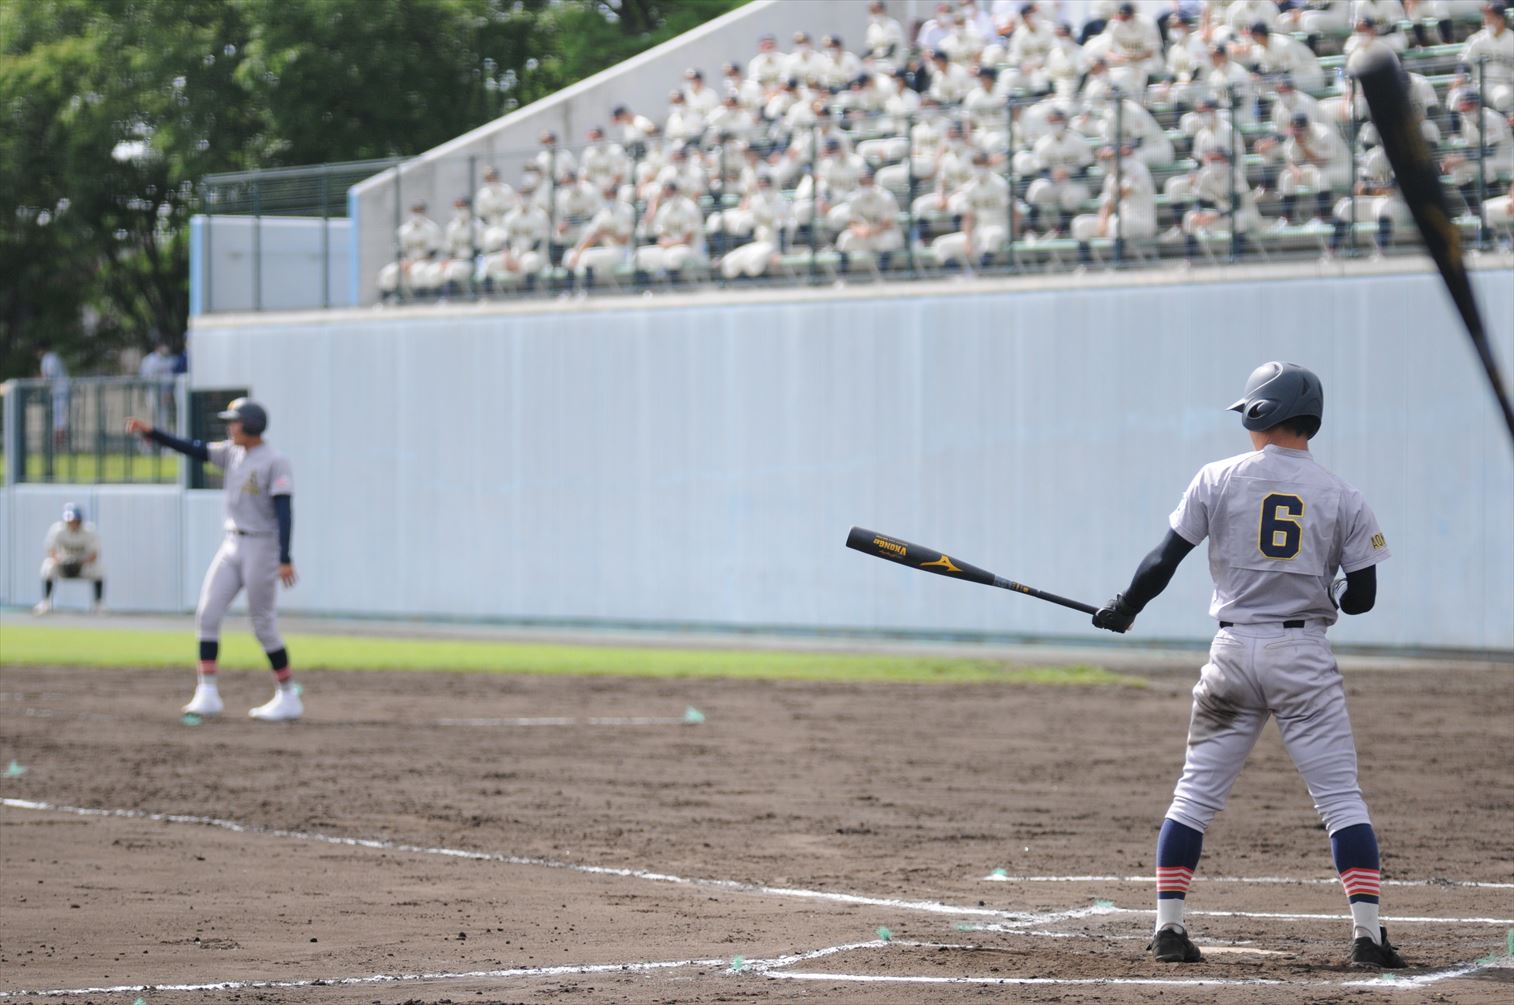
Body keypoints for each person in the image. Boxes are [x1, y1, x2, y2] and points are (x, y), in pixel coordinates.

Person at [1091, 362, 1405, 970]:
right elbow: (1362, 599)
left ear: (1262, 413)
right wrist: (1333, 591)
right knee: (1341, 801)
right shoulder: (1344, 495)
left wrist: (1125, 607)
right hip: (1303, 657)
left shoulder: (1217, 477)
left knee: (1194, 796)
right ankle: (1368, 938)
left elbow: (1162, 560)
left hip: (1231, 655)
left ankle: (1169, 928)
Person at [125, 399, 301, 722]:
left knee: (263, 624)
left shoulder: (275, 461)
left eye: (235, 421)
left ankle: (288, 695)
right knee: (207, 614)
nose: (230, 426)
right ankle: (207, 693)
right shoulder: (232, 452)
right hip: (232, 543)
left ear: (251, 425)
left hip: (262, 546)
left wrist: (285, 557)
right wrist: (152, 433)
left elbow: (284, 511)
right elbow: (192, 448)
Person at [34, 502, 104, 615]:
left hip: (82, 564)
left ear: (80, 520)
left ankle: (98, 605)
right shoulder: (57, 530)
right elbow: (51, 550)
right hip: (62, 563)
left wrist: (79, 562)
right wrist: (61, 560)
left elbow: (94, 554)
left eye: (75, 520)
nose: (72, 523)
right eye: (70, 521)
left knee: (98, 568)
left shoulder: (89, 531)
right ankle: (45, 602)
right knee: (48, 565)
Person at [39, 348, 70, 450]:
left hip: (60, 392)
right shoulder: (52, 357)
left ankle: (59, 445)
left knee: (59, 419)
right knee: (58, 419)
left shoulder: (50, 358)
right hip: (57, 392)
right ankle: (58, 444)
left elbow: (49, 376)